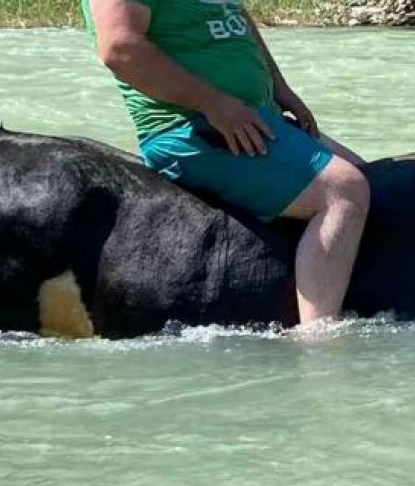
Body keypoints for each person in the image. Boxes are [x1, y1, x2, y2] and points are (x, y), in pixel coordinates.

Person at [82, 0, 370, 327]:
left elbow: (234, 15)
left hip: (254, 117)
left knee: (373, 178)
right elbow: (119, 48)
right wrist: (212, 103)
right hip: (192, 128)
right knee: (343, 191)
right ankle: (319, 340)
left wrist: (278, 87)